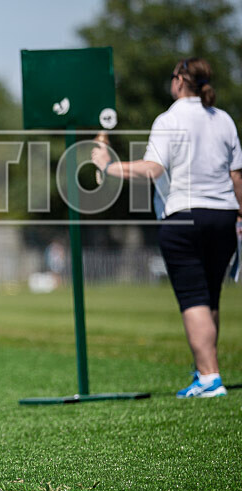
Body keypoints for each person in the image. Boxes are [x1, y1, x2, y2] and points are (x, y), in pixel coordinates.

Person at [92, 57, 242, 398]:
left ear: (179, 81)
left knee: (193, 299)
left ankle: (209, 377)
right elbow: (236, 177)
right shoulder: (224, 120)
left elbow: (152, 169)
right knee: (210, 297)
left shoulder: (169, 119)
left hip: (183, 216)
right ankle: (206, 371)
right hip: (223, 216)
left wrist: (108, 165)